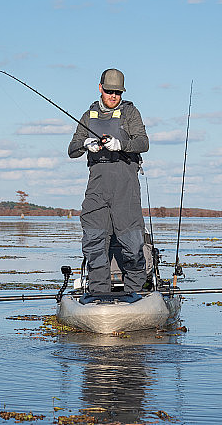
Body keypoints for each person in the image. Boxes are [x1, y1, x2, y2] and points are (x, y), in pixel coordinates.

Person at [68, 68, 149, 295]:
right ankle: (98, 295)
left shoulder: (130, 113)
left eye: (118, 92)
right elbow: (71, 150)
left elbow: (143, 142)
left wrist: (121, 145)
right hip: (96, 189)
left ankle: (135, 293)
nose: (113, 96)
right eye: (109, 91)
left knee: (132, 245)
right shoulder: (88, 115)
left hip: (126, 189)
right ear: (100, 88)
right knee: (93, 243)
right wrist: (86, 144)